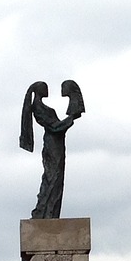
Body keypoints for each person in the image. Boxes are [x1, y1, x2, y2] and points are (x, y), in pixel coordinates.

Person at [19, 79, 85, 219]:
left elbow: (55, 126)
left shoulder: (41, 107)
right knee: (53, 177)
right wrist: (71, 118)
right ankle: (45, 212)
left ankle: (49, 212)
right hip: (52, 144)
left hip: (55, 143)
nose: (48, 90)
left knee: (55, 177)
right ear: (40, 91)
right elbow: (54, 127)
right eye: (45, 87)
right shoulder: (38, 108)